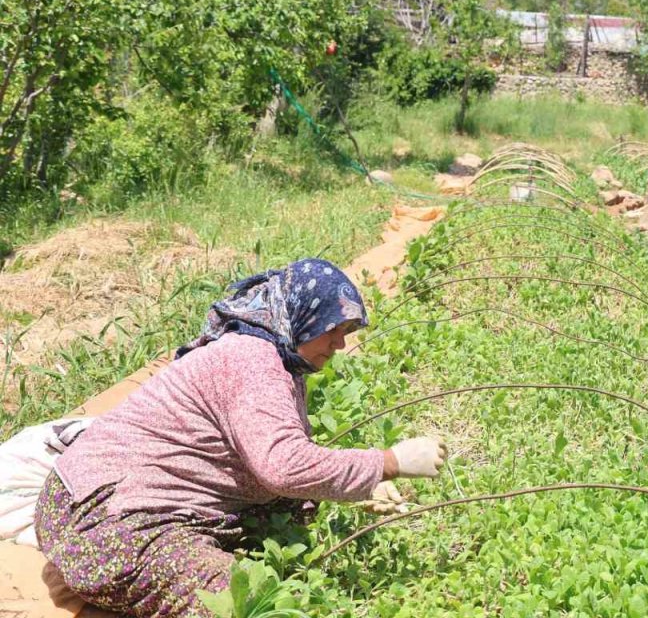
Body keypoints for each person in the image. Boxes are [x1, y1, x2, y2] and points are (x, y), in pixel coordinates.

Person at [33, 258, 447, 617]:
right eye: (334, 329)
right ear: (305, 317)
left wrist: (358, 487)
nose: (340, 343)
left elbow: (277, 465)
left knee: (293, 508)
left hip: (91, 500)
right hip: (102, 523)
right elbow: (285, 466)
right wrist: (389, 462)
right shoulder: (252, 361)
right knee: (242, 598)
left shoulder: (276, 355)